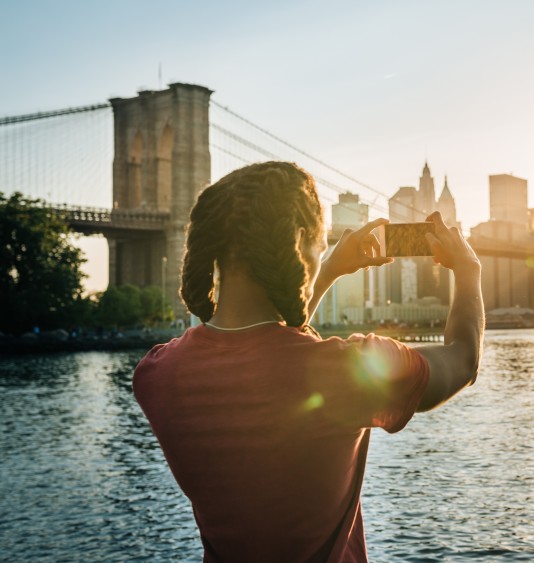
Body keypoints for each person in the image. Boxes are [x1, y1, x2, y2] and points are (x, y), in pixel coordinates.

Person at [132, 162, 484, 562]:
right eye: (318, 243)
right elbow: (463, 359)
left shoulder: (157, 376)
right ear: (301, 243)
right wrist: (469, 273)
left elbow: (269, 354)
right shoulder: (351, 370)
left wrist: (330, 268)